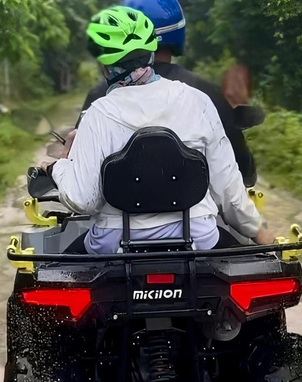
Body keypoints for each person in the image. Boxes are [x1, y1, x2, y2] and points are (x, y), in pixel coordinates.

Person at [47, 6, 273, 255]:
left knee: (56, 278)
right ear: (151, 54)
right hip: (197, 235)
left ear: (105, 65)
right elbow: (228, 188)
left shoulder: (97, 114)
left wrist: (61, 166)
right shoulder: (197, 101)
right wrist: (258, 232)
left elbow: (83, 200)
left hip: (114, 243)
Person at [80, 0, 257, 188]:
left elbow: (79, 178)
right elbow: (242, 172)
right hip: (196, 212)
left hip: (115, 213)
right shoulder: (204, 93)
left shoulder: (99, 96)